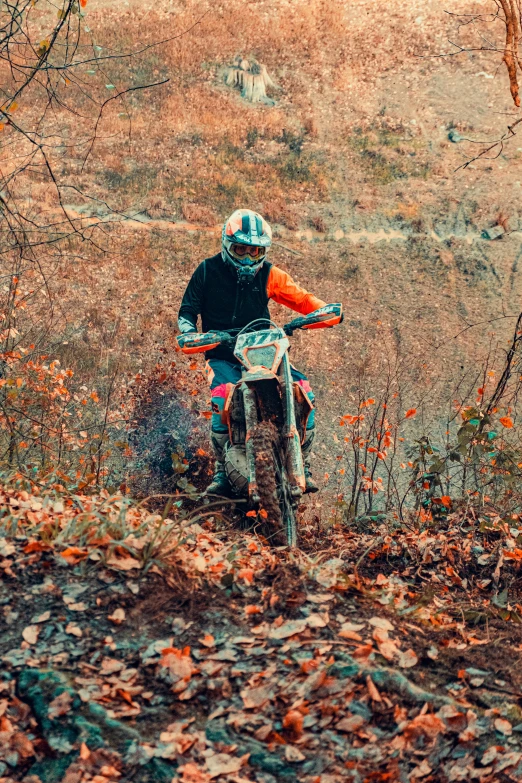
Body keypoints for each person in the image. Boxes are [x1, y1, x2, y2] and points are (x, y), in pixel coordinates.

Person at [178, 208, 328, 495]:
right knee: (222, 394)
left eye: (255, 252)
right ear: (226, 244)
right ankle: (223, 471)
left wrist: (322, 312)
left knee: (303, 389)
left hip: (263, 350)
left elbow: (303, 298)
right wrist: (190, 334)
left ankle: (302, 463)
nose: (248, 258)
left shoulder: (270, 274)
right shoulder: (207, 271)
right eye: (241, 250)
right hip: (222, 352)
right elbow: (187, 311)